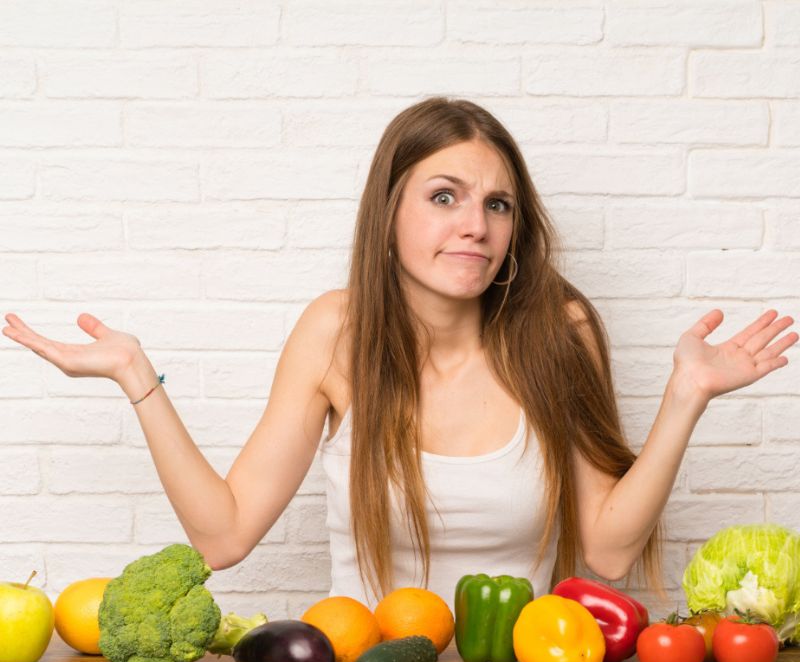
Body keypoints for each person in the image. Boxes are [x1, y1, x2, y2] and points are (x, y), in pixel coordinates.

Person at [3, 97, 797, 610]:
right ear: (389, 214)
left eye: (497, 205)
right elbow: (225, 536)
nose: (474, 226)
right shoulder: (334, 333)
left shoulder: (561, 329)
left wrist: (686, 395)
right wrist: (137, 378)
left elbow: (611, 549)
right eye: (443, 196)